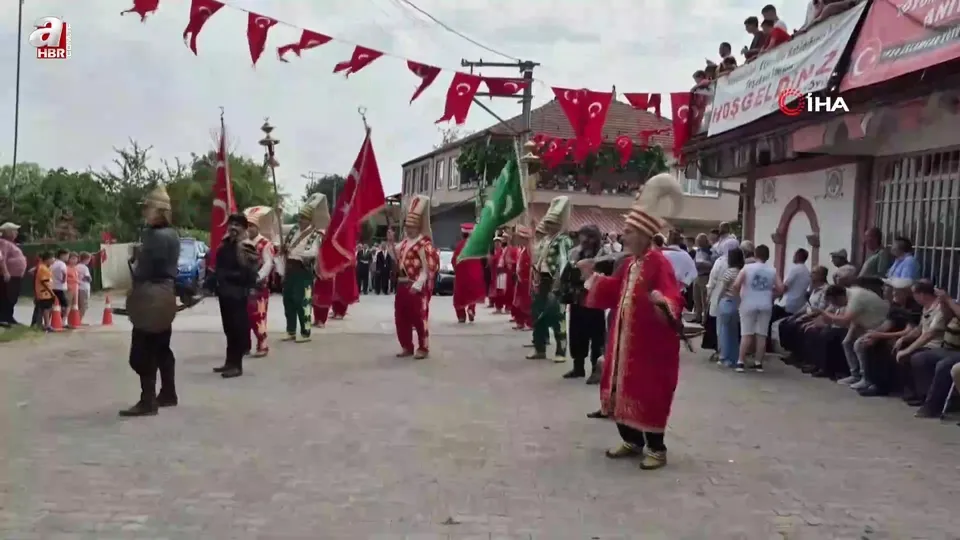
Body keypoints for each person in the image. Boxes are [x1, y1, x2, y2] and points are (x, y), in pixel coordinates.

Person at [576, 173, 685, 471]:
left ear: (643, 235)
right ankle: (632, 440)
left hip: (649, 348)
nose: (623, 237)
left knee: (648, 394)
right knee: (622, 392)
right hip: (624, 344)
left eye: (627, 232)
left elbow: (672, 298)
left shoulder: (658, 263)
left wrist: (663, 304)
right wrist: (592, 277)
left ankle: (656, 449)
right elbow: (615, 290)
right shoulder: (631, 264)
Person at [119, 186, 180, 417]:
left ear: (158, 210)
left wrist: (136, 262)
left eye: (148, 207)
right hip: (167, 292)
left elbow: (143, 269)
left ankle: (148, 400)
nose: (145, 212)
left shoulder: (153, 236)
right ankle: (168, 392)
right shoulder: (173, 234)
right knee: (162, 346)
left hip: (151, 294)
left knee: (141, 352)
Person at [208, 213, 259, 379]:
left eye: (238, 225)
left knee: (237, 330)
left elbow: (250, 274)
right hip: (225, 294)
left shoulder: (246, 246)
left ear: (244, 228)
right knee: (228, 329)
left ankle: (237, 365)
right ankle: (229, 362)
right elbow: (218, 267)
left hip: (238, 294)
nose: (233, 228)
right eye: (231, 224)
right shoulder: (225, 245)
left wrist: (227, 276)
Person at [527, 196, 574, 361]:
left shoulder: (563, 240)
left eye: (551, 224)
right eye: (547, 223)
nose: (548, 227)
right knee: (537, 314)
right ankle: (539, 348)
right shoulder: (545, 240)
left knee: (557, 316)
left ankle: (561, 351)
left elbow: (564, 262)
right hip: (541, 280)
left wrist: (558, 282)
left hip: (555, 280)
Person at [560, 225, 607, 383]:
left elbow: (607, 274)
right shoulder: (574, 253)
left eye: (590, 236)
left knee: (597, 335)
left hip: (595, 300)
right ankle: (578, 366)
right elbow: (566, 274)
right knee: (577, 333)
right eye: (583, 236)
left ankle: (596, 369)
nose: (586, 240)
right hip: (577, 299)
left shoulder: (604, 253)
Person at [394, 195, 438, 359]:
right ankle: (406, 345)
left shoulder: (423, 244)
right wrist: (391, 241)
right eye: (407, 227)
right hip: (402, 285)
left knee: (419, 318)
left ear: (419, 226)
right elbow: (395, 256)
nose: (409, 230)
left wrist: (419, 284)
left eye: (412, 227)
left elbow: (428, 268)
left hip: (415, 287)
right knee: (401, 318)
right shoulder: (405, 243)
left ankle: (423, 347)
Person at [281, 194, 325, 342]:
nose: (300, 220)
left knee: (302, 301)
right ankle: (291, 330)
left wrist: (298, 253)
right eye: (299, 217)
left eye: (303, 218)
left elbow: (313, 251)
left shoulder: (316, 234)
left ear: (310, 220)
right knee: (288, 300)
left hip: (303, 270)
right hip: (290, 268)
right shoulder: (293, 231)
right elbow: (279, 231)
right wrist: (278, 215)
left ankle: (305, 332)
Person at [732, 244, 782, 372]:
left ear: (755, 254)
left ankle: (740, 362)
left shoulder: (747, 268)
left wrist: (738, 297)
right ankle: (758, 363)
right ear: (768, 256)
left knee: (746, 333)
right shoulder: (772, 270)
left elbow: (736, 284)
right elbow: (780, 288)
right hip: (765, 304)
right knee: (762, 334)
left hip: (748, 303)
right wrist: (772, 296)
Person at [242, 206, 277, 357]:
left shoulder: (265, 243)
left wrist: (258, 277)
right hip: (243, 285)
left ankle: (262, 345)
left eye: (251, 226)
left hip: (259, 286)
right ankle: (245, 346)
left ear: (257, 227)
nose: (249, 229)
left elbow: (269, 264)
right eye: (247, 226)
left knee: (258, 315)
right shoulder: (243, 243)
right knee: (244, 317)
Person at [452, 223, 485, 323]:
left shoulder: (459, 246)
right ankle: (471, 309)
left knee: (460, 297)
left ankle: (461, 316)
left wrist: (457, 270)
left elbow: (454, 260)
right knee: (472, 296)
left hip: (462, 277)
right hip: (475, 276)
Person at [0, 222, 27, 326]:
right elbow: (1, 258)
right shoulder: (3, 242)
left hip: (15, 276)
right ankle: (3, 318)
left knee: (12, 297)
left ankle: (8, 317)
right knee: (6, 297)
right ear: (8, 232)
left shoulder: (12, 244)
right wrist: (5, 271)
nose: (16, 233)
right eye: (14, 230)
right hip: (8, 276)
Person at [512, 225, 534, 331]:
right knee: (519, 302)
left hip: (527, 280)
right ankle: (520, 322)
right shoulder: (522, 249)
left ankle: (529, 323)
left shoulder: (530, 250)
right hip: (520, 279)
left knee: (527, 302)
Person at [692, 233, 712, 324]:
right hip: (697, 275)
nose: (698, 243)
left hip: (705, 276)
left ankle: (705, 319)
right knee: (696, 298)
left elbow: (711, 264)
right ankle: (697, 316)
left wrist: (703, 263)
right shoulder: (698, 251)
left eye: (699, 241)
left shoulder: (710, 251)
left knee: (704, 299)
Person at [33, 251, 55, 331]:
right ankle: (46, 325)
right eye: (52, 258)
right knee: (46, 309)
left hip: (46, 292)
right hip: (45, 292)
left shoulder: (45, 267)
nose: (54, 260)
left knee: (46, 308)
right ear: (47, 259)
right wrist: (51, 292)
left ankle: (42, 324)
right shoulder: (43, 268)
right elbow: (44, 281)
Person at [50, 249, 69, 319]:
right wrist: (63, 280)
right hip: (60, 287)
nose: (67, 257)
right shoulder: (62, 264)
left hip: (52, 286)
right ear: (62, 255)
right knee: (65, 304)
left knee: (52, 304)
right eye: (67, 256)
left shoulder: (53, 263)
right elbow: (64, 273)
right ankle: (63, 320)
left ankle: (51, 320)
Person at [76, 252, 93, 324]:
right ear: (86, 259)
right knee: (84, 305)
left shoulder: (76, 266)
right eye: (89, 259)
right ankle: (79, 320)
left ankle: (76, 319)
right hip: (84, 288)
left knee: (78, 305)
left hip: (78, 287)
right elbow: (87, 278)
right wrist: (90, 279)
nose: (89, 261)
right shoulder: (85, 268)